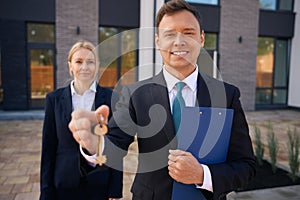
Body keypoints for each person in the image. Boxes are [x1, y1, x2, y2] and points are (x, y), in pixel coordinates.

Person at [69, 0, 256, 199]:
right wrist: (93, 144)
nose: (179, 41)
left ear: (201, 39)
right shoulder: (136, 94)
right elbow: (114, 148)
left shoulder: (227, 96)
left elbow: (246, 167)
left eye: (188, 32)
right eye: (169, 34)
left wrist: (203, 175)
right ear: (158, 41)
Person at [40, 41, 122, 200]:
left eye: (90, 62)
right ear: (70, 66)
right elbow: (48, 147)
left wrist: (115, 190)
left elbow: (117, 146)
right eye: (79, 62)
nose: (85, 67)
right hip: (63, 182)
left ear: (97, 66)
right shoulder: (54, 99)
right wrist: (46, 191)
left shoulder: (112, 98)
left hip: (99, 183)